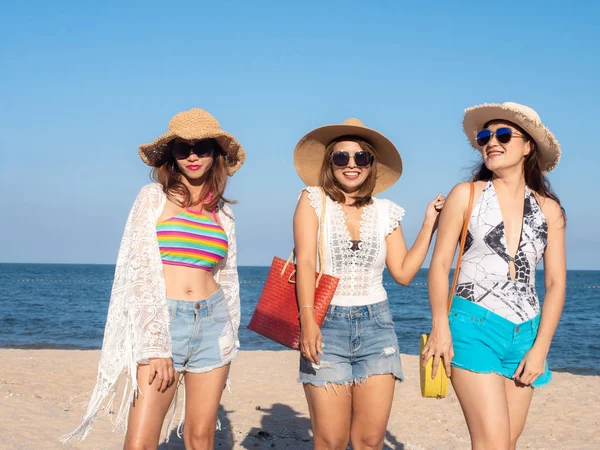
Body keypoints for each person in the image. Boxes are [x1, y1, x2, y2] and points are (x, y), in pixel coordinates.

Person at [63, 108, 244, 449]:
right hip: (165, 322)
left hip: (213, 324)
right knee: (141, 441)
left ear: (216, 154)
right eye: (183, 149)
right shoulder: (152, 199)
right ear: (171, 156)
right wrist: (155, 344)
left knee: (201, 438)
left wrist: (229, 332)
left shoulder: (223, 211)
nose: (193, 156)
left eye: (202, 147)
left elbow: (228, 276)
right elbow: (139, 272)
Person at [293, 118, 445, 450]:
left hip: (377, 328)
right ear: (329, 163)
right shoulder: (312, 200)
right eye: (341, 157)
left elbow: (403, 273)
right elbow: (305, 262)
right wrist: (308, 320)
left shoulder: (387, 212)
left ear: (371, 164)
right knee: (330, 440)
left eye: (361, 157)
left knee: (369, 441)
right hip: (324, 324)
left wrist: (429, 224)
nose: (351, 165)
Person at [423, 102, 566, 450]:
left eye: (503, 135)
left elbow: (555, 283)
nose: (491, 142)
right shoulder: (466, 194)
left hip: (526, 335)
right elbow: (440, 265)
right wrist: (440, 329)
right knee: (493, 443)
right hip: (472, 326)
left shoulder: (549, 209)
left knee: (509, 442)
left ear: (528, 146)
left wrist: (540, 347)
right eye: (485, 136)